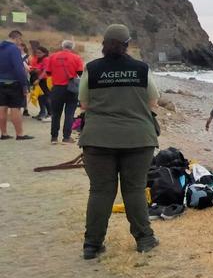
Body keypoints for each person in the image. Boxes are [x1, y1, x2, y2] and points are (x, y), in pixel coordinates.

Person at [77, 24, 160, 259]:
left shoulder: (92, 69)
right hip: (138, 138)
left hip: (97, 138)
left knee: (100, 191)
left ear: (104, 44)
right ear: (127, 44)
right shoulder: (141, 69)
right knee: (134, 189)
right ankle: (145, 239)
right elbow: (154, 101)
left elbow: (83, 104)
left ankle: (92, 245)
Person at [45, 39, 84, 144]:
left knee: (56, 114)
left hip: (57, 88)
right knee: (69, 113)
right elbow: (80, 73)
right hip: (71, 89)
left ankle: (54, 137)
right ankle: (66, 137)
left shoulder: (52, 57)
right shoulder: (76, 58)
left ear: (62, 46)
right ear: (72, 47)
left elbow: (48, 72)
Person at [0, 30, 34, 140]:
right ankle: (19, 134)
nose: (20, 43)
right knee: (15, 109)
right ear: (17, 38)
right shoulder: (14, 49)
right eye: (20, 40)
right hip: (14, 82)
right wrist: (24, 84)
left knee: (2, 108)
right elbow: (19, 68)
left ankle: (4, 133)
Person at [29, 46, 51, 121]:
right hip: (41, 79)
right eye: (37, 53)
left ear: (44, 53)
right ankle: (44, 113)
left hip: (44, 80)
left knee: (46, 96)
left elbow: (45, 70)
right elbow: (40, 69)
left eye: (39, 53)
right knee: (42, 96)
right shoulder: (41, 59)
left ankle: (50, 113)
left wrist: (38, 79)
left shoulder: (46, 59)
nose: (38, 54)